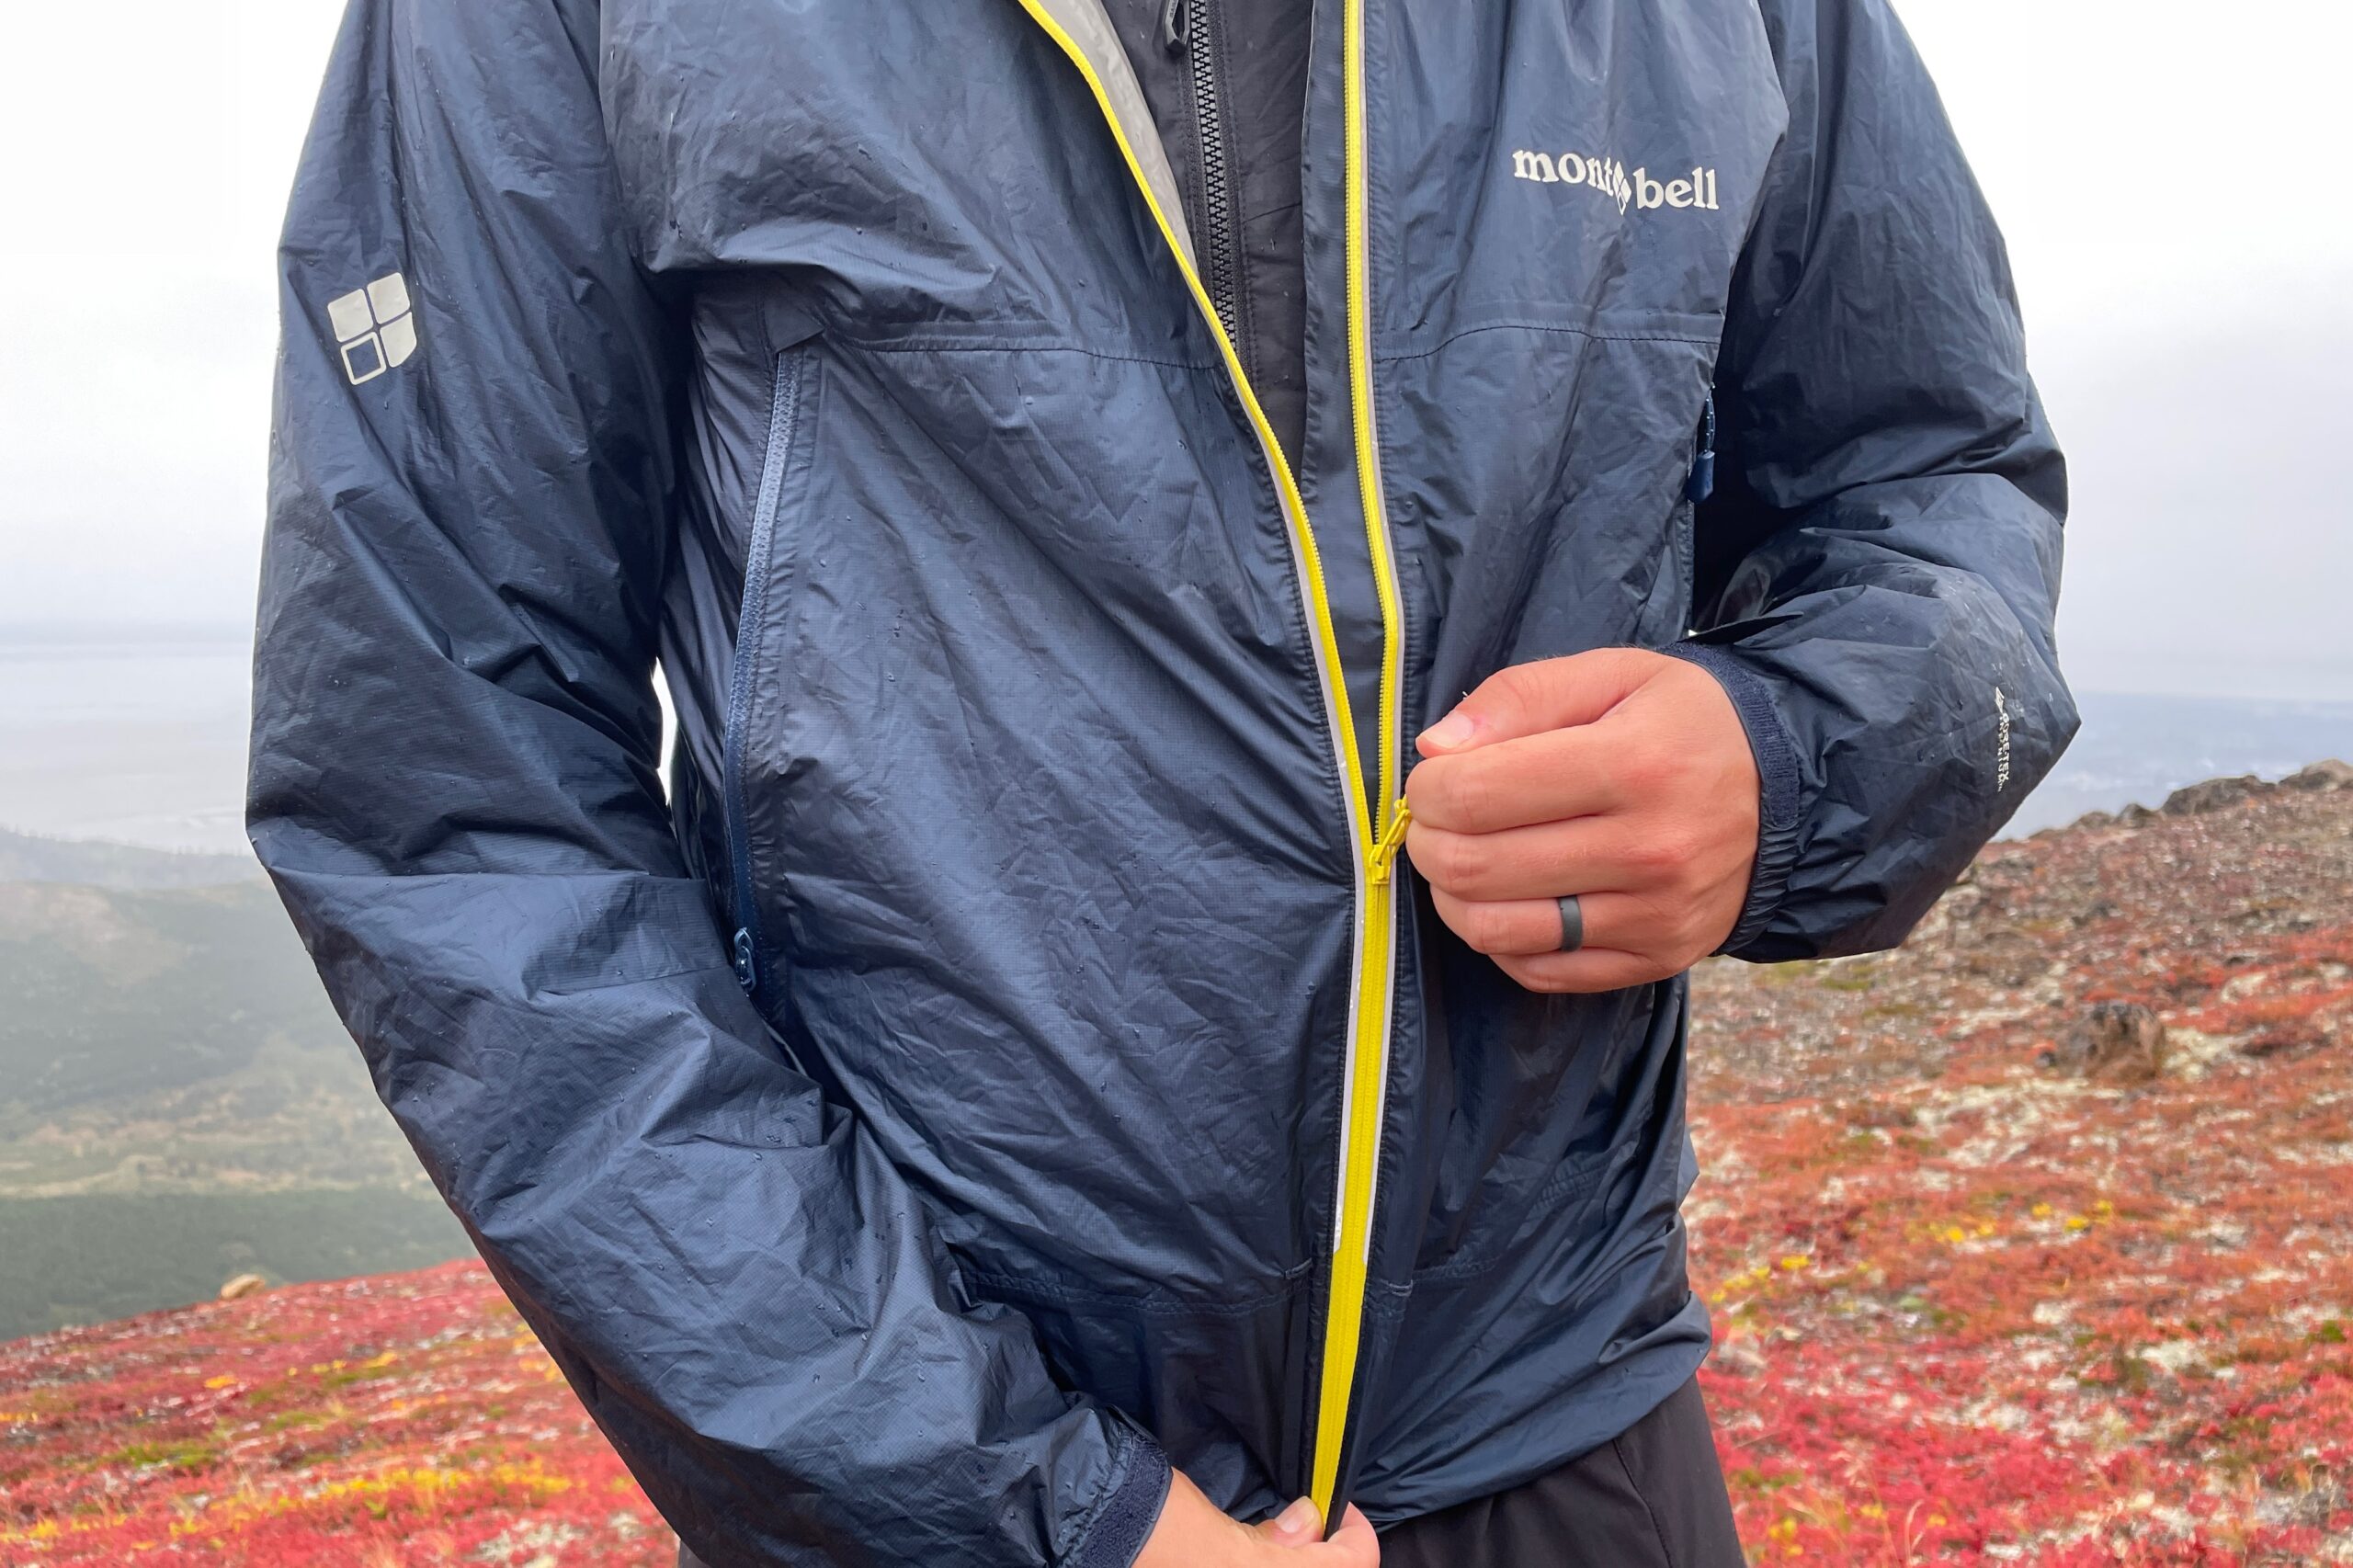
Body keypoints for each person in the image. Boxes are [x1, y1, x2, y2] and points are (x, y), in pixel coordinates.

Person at [247, 0, 2074, 1562]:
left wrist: (1793, 761)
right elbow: (447, 788)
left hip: (1574, 1436)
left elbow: (1930, 476)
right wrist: (1007, 1506)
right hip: (951, 1459)